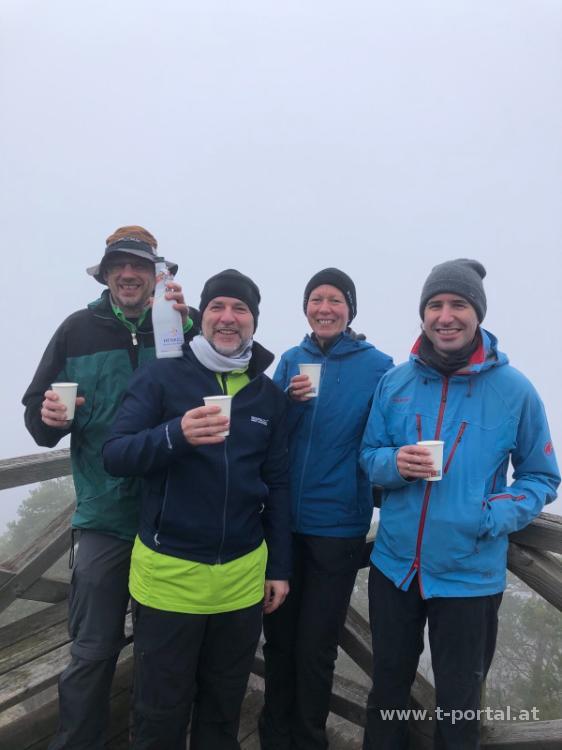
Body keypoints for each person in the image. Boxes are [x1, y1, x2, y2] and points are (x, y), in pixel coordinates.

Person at [360, 259, 560, 749]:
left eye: (458, 305)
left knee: (459, 706)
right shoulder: (396, 382)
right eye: (435, 305)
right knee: (386, 693)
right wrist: (394, 464)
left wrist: (492, 515)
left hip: (469, 575)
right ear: (423, 314)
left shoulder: (515, 390)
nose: (445, 316)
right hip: (394, 568)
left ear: (478, 314)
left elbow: (541, 476)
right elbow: (368, 456)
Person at [22, 226, 197, 750]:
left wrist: (193, 325)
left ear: (157, 275)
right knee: (92, 650)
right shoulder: (77, 330)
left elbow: (237, 373)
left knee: (161, 653)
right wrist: (50, 418)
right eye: (117, 265)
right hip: (103, 518)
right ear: (104, 275)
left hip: (173, 519)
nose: (127, 274)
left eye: (139, 265)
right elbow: (37, 415)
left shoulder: (184, 327)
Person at [102, 268, 291, 750]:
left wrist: (279, 567)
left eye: (240, 309)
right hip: (170, 579)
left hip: (241, 582)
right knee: (159, 716)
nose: (228, 318)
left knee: (222, 712)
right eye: (217, 307)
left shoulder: (267, 394)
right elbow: (116, 454)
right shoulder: (163, 376)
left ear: (254, 321)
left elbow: (278, 485)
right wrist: (176, 434)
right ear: (201, 316)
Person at [260, 268, 394, 750]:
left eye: (335, 299)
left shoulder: (379, 367)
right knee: (278, 643)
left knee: (317, 648)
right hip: (282, 526)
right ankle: (273, 738)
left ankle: (308, 739)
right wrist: (288, 404)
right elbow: (268, 434)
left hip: (337, 527)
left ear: (350, 309)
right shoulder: (290, 360)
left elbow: (384, 437)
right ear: (306, 308)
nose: (325, 308)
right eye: (316, 299)